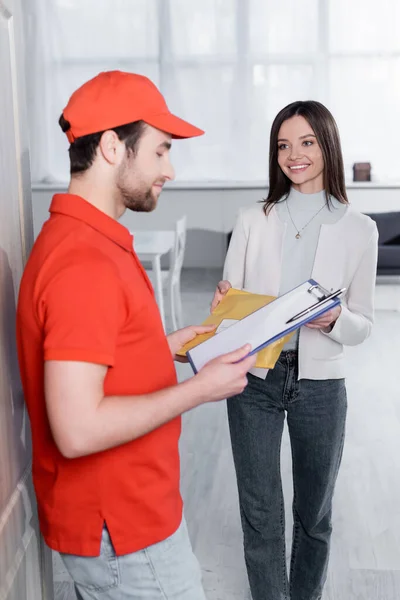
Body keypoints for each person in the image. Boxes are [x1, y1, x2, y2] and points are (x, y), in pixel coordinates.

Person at [16, 70, 256, 600]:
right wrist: (201, 389)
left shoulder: (83, 239)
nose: (170, 169)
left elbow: (96, 355)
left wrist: (162, 345)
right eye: (161, 151)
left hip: (124, 522)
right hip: (124, 531)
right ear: (110, 147)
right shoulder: (83, 261)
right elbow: (77, 429)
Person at [211, 100, 378, 600]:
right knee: (259, 510)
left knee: (315, 513)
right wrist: (223, 300)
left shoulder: (360, 229)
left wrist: (334, 318)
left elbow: (363, 324)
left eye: (306, 142)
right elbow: (230, 309)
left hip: (321, 386)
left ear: (327, 144)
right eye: (283, 145)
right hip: (254, 381)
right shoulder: (252, 219)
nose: (294, 154)